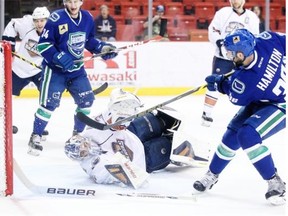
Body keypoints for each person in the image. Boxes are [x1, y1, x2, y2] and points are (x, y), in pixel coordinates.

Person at [193, 29, 286, 205]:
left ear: (242, 54)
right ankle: (212, 175)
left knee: (247, 135)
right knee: (230, 138)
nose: (229, 57)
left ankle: (275, 182)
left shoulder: (244, 81)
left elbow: (233, 92)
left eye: (232, 54)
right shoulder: (267, 40)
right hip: (260, 99)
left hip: (281, 104)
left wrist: (219, 83)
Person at [65, 88, 209, 188]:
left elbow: (111, 108)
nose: (86, 148)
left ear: (82, 138)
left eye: (83, 144)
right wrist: (122, 171)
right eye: (83, 153)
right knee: (176, 147)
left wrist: (120, 107)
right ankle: (185, 154)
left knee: (164, 119)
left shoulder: (91, 130)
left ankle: (163, 125)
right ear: (80, 158)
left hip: (132, 132)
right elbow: (128, 178)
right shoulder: (94, 168)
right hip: (143, 159)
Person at [27, 0, 118, 156]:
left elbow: (89, 41)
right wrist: (58, 56)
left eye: (76, 1)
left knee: (86, 103)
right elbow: (43, 45)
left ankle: (77, 135)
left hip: (76, 71)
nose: (73, 4)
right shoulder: (56, 18)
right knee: (49, 104)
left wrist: (102, 48)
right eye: (70, 1)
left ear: (81, 1)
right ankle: (36, 136)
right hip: (55, 71)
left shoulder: (88, 18)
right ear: (65, 2)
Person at [201, 0, 260, 127]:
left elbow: (255, 38)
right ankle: (207, 113)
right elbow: (213, 30)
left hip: (242, 58)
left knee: (248, 84)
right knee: (215, 82)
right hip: (223, 57)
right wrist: (220, 44)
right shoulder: (223, 13)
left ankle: (247, 114)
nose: (234, 1)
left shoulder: (252, 17)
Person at [2, 7, 50, 136]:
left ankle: (40, 125)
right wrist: (10, 46)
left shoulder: (54, 31)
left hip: (38, 70)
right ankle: (5, 123)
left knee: (47, 97)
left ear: (48, 20)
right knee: (6, 97)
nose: (39, 23)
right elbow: (12, 24)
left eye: (42, 20)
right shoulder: (27, 24)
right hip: (19, 69)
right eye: (36, 21)